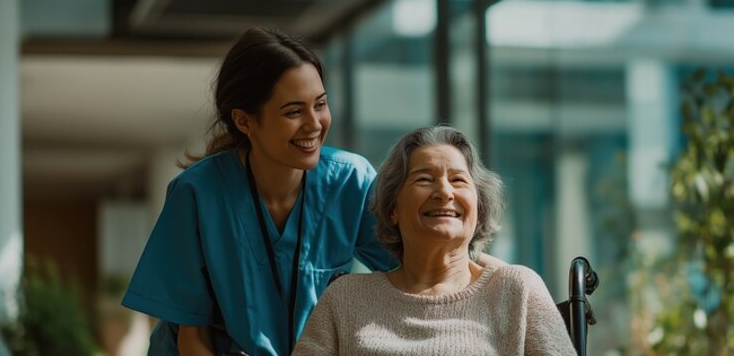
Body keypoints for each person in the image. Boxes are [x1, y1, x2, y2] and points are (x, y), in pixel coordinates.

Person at [122, 27, 408, 355]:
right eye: (294, 111)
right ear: (245, 121)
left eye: (320, 104)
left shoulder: (349, 182)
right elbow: (191, 339)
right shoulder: (197, 194)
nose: (314, 124)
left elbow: (415, 271)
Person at [293, 126, 576, 355]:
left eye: (458, 180)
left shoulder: (516, 290)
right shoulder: (346, 297)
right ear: (393, 209)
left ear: (478, 211)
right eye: (424, 179)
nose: (444, 191)